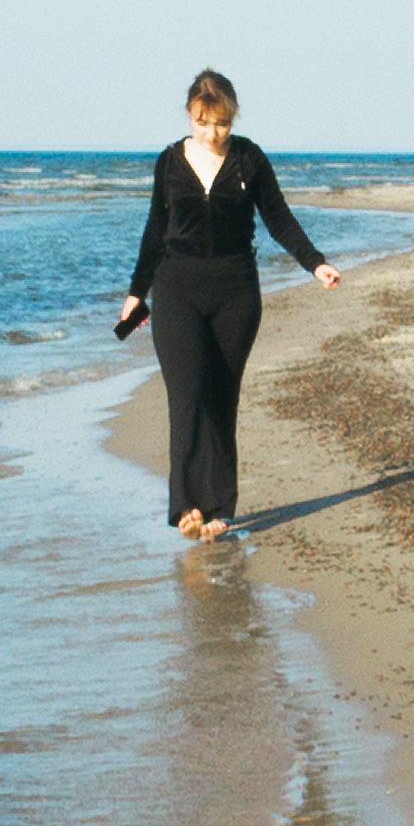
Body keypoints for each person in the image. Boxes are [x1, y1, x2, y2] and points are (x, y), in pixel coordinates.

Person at [120, 71, 340, 541]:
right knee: (187, 396)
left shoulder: (248, 159)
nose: (211, 133)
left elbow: (278, 218)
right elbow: (155, 229)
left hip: (235, 293)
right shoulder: (169, 162)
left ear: (233, 117)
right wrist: (137, 294)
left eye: (220, 123)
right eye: (202, 123)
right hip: (176, 290)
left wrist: (315, 263)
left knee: (222, 398)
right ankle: (185, 506)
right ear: (190, 116)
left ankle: (219, 506)